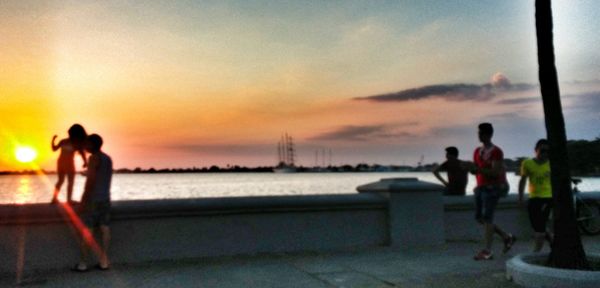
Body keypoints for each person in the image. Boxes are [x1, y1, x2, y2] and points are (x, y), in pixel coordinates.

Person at [471, 123, 516, 260]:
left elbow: (495, 172)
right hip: (481, 187)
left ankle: (487, 251)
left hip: (493, 188)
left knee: (488, 218)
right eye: (479, 132)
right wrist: (471, 169)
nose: (479, 135)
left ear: (489, 134)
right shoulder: (477, 151)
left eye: (482, 133)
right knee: (480, 218)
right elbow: (478, 170)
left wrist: (478, 170)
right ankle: (506, 237)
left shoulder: (497, 151)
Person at [73, 134, 113, 272]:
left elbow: (91, 182)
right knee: (105, 229)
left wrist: (83, 201)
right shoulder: (107, 158)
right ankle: (104, 262)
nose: (85, 146)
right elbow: (102, 175)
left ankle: (83, 264)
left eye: (87, 144)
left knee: (88, 230)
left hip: (93, 200)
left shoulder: (93, 158)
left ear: (92, 145)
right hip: (105, 199)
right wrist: (88, 173)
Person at [518, 139, 553, 252]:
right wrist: (520, 197)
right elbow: (523, 181)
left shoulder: (551, 164)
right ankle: (553, 240)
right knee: (536, 225)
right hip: (533, 198)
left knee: (540, 228)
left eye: (548, 151)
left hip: (547, 198)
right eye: (542, 150)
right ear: (536, 150)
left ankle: (536, 252)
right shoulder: (527, 163)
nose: (545, 154)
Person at [51, 124, 87, 203]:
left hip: (61, 162)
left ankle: (54, 199)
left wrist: (53, 140)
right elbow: (82, 153)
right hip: (68, 163)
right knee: (69, 181)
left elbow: (54, 149)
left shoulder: (64, 141)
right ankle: (68, 200)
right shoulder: (75, 143)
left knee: (60, 181)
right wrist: (85, 162)